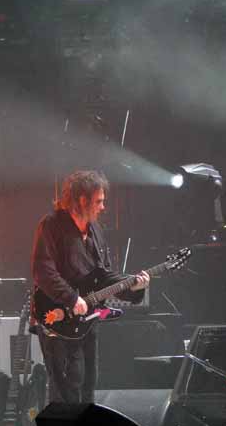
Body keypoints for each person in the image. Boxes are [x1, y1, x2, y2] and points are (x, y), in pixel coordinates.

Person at [31, 170, 150, 404]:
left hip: (88, 322)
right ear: (82, 200)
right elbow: (43, 271)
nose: (103, 207)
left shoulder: (96, 231)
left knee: (88, 385)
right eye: (99, 201)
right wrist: (72, 298)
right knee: (67, 389)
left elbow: (104, 277)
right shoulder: (52, 225)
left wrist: (134, 288)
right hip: (59, 320)